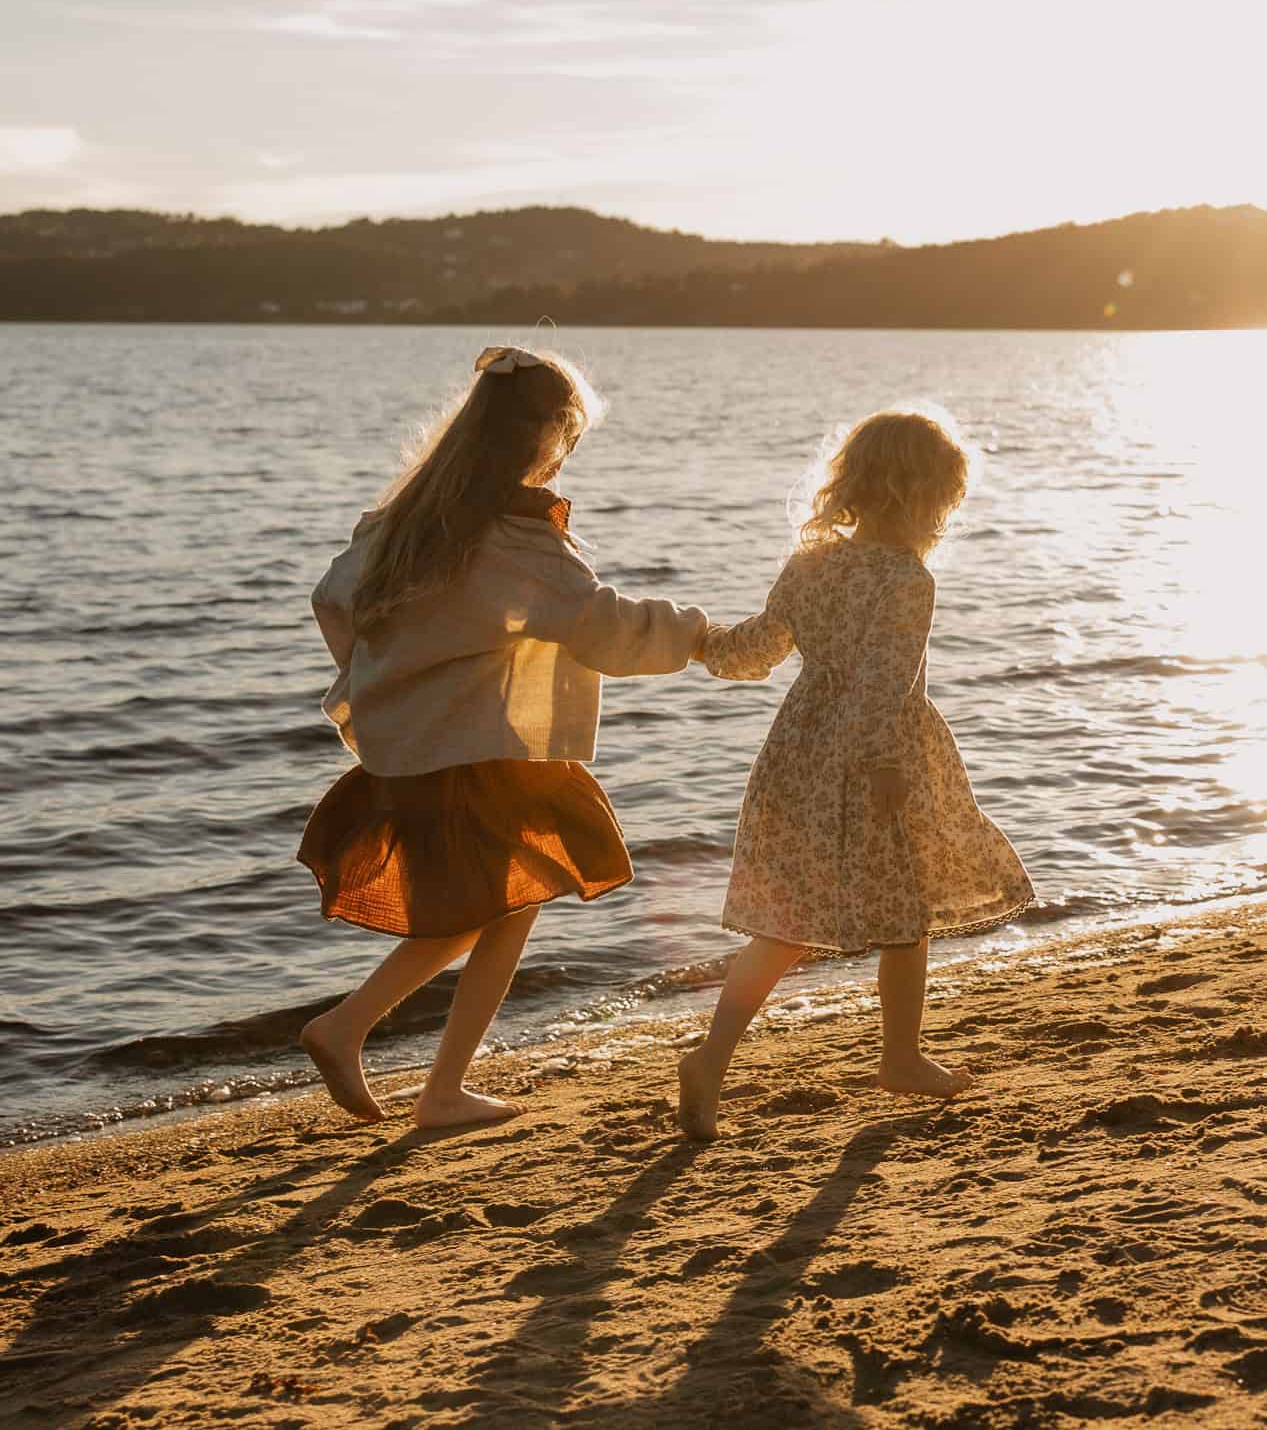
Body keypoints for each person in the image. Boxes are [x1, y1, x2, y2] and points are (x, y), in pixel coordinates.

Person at [298, 344, 707, 1129]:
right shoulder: (515, 543)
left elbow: (334, 602)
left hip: (415, 748)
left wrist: (386, 676)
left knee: (508, 904)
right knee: (487, 907)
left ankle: (434, 1081)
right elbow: (604, 628)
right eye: (568, 443)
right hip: (472, 755)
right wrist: (697, 637)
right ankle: (354, 1031)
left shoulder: (398, 527)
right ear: (546, 440)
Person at [677, 408, 1034, 1140]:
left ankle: (710, 1060)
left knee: (788, 919)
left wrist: (695, 641)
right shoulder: (905, 579)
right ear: (925, 497)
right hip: (877, 758)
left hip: (800, 754)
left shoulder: (811, 562)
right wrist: (880, 768)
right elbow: (886, 682)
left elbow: (753, 651)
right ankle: (899, 1056)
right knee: (904, 913)